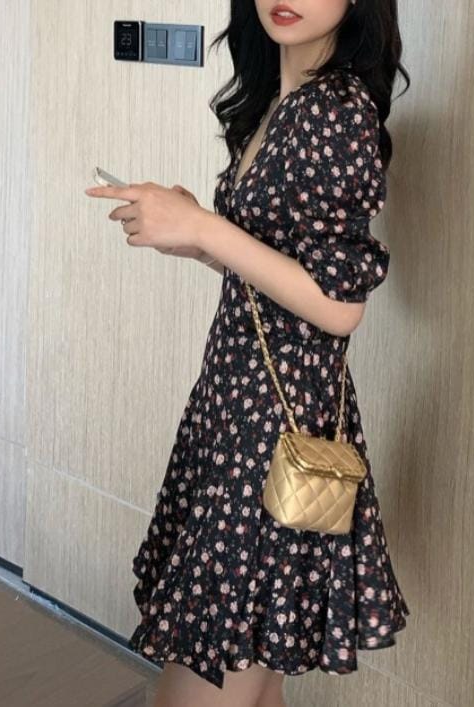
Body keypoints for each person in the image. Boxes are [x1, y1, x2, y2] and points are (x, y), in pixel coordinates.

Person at [85, 1, 411, 705]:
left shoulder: (335, 110)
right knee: (252, 681)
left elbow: (340, 305)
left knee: (208, 677)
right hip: (239, 411)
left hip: (270, 431)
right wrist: (195, 237)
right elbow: (276, 276)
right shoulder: (279, 101)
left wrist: (206, 227)